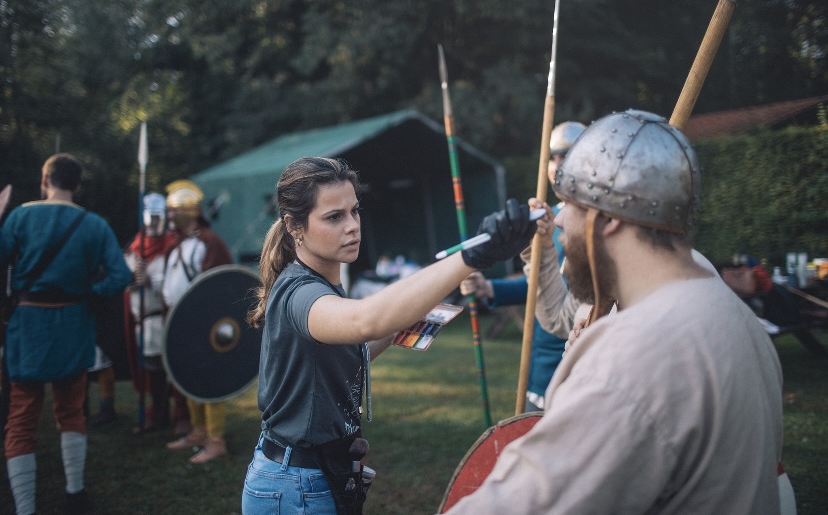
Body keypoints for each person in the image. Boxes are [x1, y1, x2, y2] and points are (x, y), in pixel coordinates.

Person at [443, 110, 784, 513]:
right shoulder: (732, 312)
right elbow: (561, 316)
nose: (560, 221)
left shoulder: (629, 360)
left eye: (570, 205)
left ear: (607, 221)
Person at [240, 156, 536, 515]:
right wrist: (472, 257)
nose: (352, 226)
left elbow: (358, 344)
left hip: (318, 473)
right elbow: (366, 321)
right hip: (296, 483)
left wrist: (418, 309)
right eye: (334, 217)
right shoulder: (300, 293)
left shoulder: (322, 285)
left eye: (354, 211)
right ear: (294, 226)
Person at [0, 153, 133, 515]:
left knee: (22, 417)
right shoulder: (94, 225)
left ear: (45, 181)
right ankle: (75, 493)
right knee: (71, 411)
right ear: (76, 185)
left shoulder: (19, 217)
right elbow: (121, 276)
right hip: (74, 322)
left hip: (28, 325)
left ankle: (25, 508)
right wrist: (90, 293)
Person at [461, 121, 589, 411]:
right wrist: (489, 287)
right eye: (551, 158)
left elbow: (568, 291)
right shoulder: (548, 217)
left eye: (566, 156)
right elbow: (541, 286)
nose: (557, 167)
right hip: (539, 366)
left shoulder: (596, 223)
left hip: (577, 365)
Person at [161, 180, 234, 463]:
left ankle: (216, 440)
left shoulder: (209, 242)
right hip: (181, 321)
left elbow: (220, 287)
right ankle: (198, 431)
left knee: (210, 380)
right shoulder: (178, 244)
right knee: (188, 378)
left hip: (205, 322)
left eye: (173, 211)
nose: (169, 217)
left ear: (188, 212)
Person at [124, 192, 182, 434]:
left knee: (174, 369)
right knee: (151, 371)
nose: (155, 224)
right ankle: (157, 414)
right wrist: (132, 279)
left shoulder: (172, 246)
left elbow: (172, 283)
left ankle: (181, 415)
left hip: (163, 317)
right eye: (152, 219)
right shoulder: (134, 250)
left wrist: (150, 280)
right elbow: (125, 283)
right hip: (143, 320)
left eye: (159, 219)